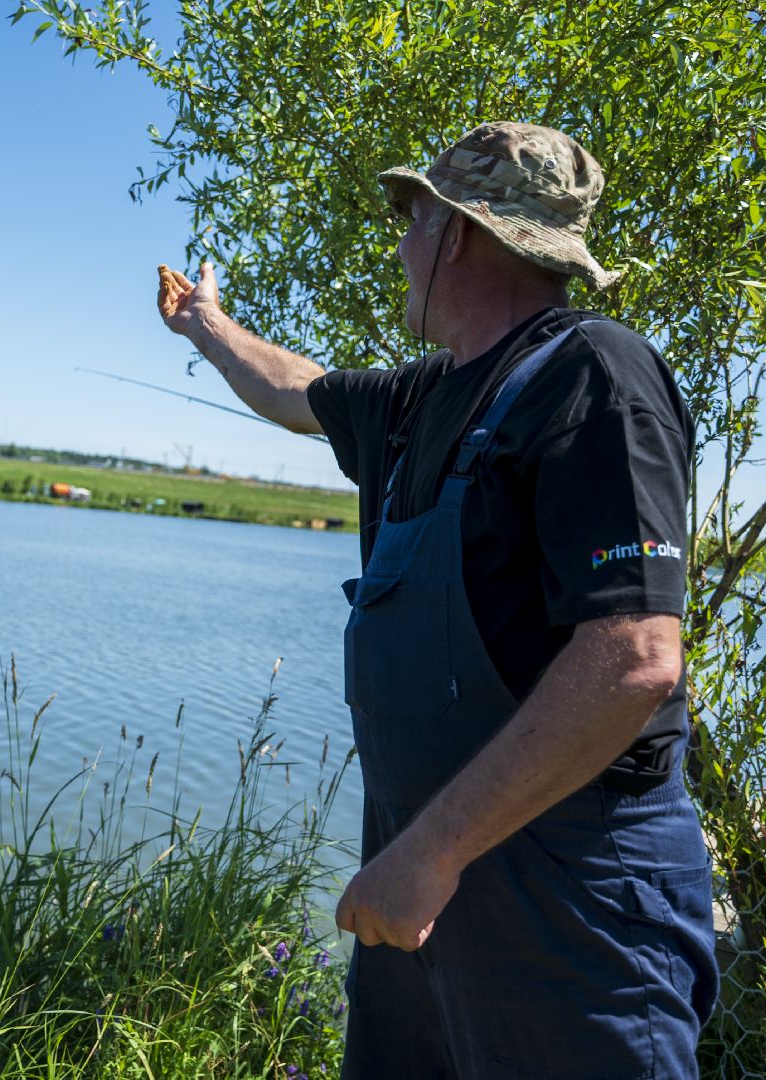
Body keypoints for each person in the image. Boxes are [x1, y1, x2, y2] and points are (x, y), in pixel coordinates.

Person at [156, 122, 718, 1078]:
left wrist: (433, 852)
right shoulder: (422, 402)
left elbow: (633, 658)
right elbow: (296, 388)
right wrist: (204, 326)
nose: (402, 245)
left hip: (567, 888)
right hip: (428, 878)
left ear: (457, 234)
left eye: (411, 221)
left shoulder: (594, 378)